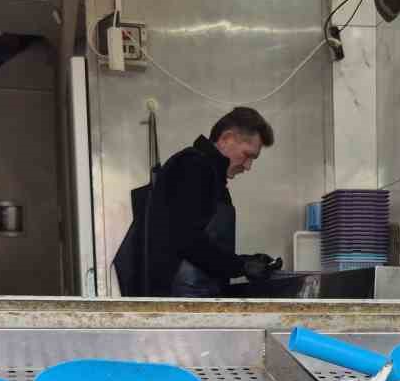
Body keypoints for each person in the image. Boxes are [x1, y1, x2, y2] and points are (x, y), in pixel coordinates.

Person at [113, 107, 284, 297]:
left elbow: (203, 243)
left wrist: (248, 262)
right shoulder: (193, 167)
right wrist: (241, 266)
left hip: (195, 296)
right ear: (226, 138)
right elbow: (186, 239)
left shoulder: (209, 173)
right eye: (247, 155)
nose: (248, 166)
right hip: (181, 301)